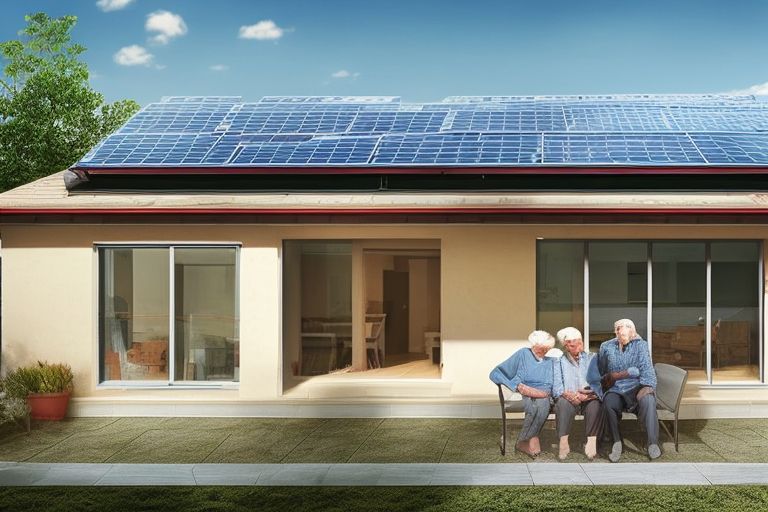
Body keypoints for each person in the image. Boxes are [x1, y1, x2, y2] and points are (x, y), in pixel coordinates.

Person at [592, 318, 660, 462]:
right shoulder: (606, 346)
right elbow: (601, 372)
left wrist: (647, 386)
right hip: (615, 388)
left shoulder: (640, 345)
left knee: (648, 399)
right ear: (615, 332)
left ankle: (652, 443)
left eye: (624, 331)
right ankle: (616, 442)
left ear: (632, 332)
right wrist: (609, 378)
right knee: (609, 402)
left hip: (637, 387)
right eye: (618, 330)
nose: (620, 334)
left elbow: (647, 369)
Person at [489, 330, 555, 458]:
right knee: (532, 406)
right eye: (542, 349)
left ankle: (523, 440)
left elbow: (553, 384)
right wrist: (516, 386)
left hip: (544, 394)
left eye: (547, 349)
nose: (545, 352)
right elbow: (495, 373)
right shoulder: (523, 354)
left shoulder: (550, 361)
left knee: (543, 405)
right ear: (534, 345)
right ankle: (529, 439)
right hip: (524, 393)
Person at [553, 327, 604, 460]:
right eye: (574, 344)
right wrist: (568, 395)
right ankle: (563, 442)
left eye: (580, 342)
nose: (578, 346)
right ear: (566, 346)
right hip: (568, 397)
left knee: (595, 404)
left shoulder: (592, 358)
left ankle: (591, 443)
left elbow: (598, 382)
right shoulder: (558, 361)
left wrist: (589, 393)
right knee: (563, 404)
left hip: (588, 396)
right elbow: (556, 386)